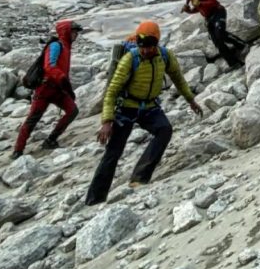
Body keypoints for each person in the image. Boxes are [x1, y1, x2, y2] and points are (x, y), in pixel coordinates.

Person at [85, 21, 201, 204]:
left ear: (157, 43)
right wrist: (106, 121)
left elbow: (178, 78)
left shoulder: (165, 56)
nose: (145, 50)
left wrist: (191, 100)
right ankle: (95, 199)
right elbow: (112, 90)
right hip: (127, 107)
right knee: (113, 152)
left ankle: (139, 177)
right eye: (142, 47)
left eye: (149, 46)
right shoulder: (130, 59)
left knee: (164, 130)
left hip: (149, 106)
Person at [12, 20, 83, 158]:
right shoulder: (56, 46)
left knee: (72, 111)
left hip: (58, 89)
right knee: (33, 119)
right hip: (45, 88)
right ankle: (18, 150)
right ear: (66, 32)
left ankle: (51, 139)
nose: (76, 35)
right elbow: (49, 66)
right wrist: (64, 81)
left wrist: (65, 86)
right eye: (74, 32)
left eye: (76, 32)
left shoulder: (66, 47)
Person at [179, 0, 248, 67]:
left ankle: (242, 45)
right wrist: (189, 11)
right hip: (208, 18)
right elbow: (197, 8)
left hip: (218, 12)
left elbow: (213, 2)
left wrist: (199, 3)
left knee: (220, 34)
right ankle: (233, 63)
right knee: (217, 42)